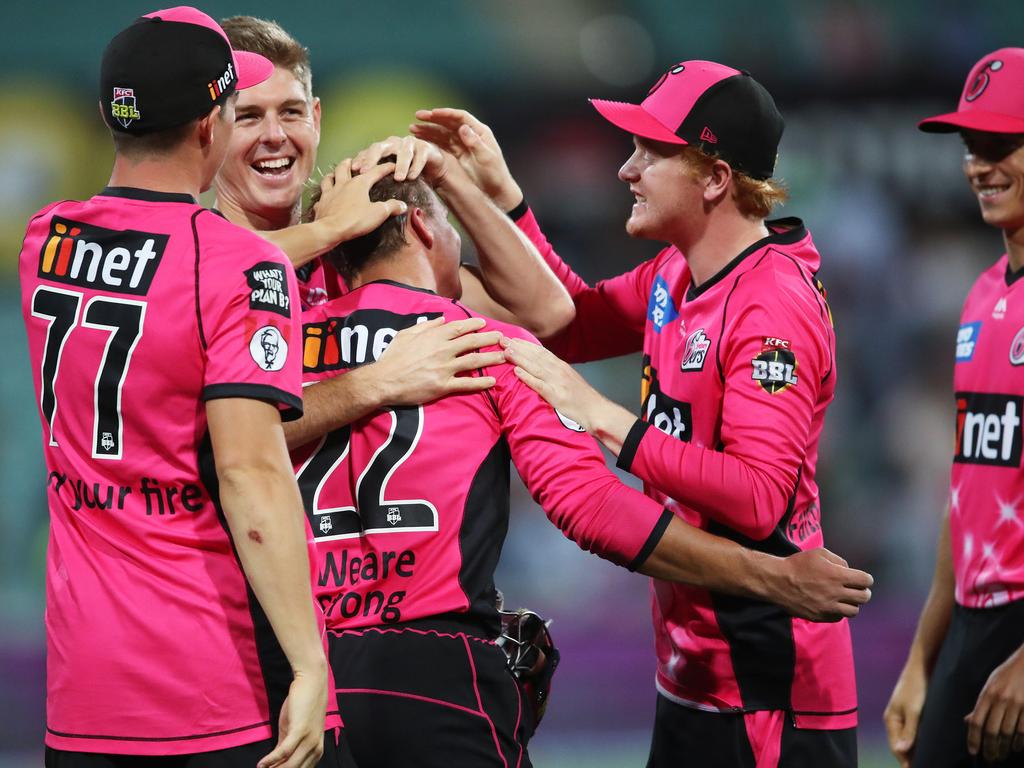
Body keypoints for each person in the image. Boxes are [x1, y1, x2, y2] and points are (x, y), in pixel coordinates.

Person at [294, 152, 873, 768]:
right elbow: (592, 508)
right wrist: (772, 577)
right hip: (437, 667)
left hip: (299, 673)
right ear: (422, 228)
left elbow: (571, 314)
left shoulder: (269, 351)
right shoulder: (485, 347)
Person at [417, 61, 860, 767]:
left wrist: (604, 417)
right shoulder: (677, 272)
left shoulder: (770, 303)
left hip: (766, 677)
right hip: (695, 668)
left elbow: (756, 498)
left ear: (715, 178)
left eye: (651, 152)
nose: (627, 170)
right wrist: (505, 198)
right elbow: (570, 322)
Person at [20, 7, 333, 767]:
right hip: (205, 685)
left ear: (107, 117)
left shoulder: (45, 240)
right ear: (210, 126)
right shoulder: (239, 268)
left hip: (82, 689)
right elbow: (249, 473)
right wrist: (309, 662)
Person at [212, 15, 574, 451]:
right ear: (211, 130)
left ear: (317, 118)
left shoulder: (354, 251)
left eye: (291, 112)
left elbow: (547, 313)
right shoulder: (188, 265)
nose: (275, 136)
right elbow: (219, 441)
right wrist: (375, 383)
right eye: (248, 117)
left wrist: (449, 177)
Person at [885, 48, 1024, 768]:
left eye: (1002, 145)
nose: (979, 164)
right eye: (972, 147)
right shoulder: (981, 296)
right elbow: (968, 492)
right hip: (972, 628)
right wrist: (921, 660)